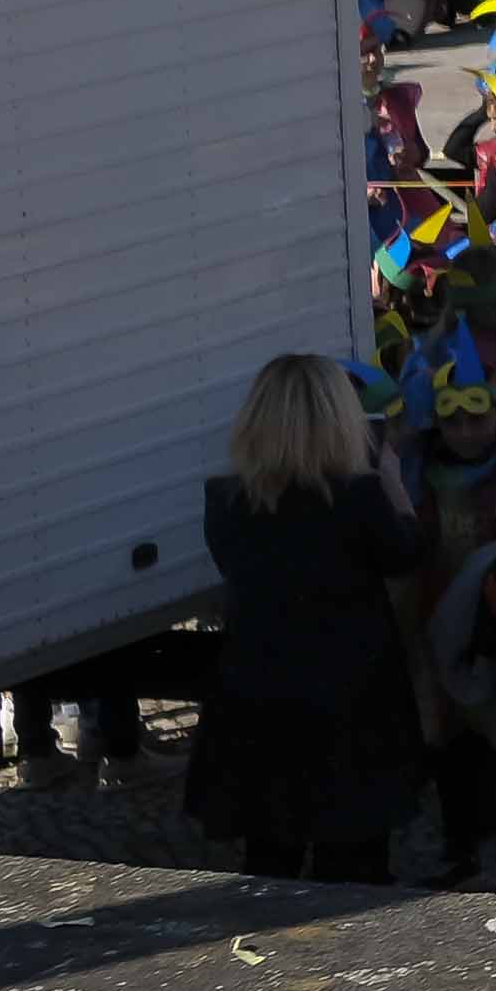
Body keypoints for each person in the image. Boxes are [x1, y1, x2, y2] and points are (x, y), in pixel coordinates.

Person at [180, 353, 433, 883]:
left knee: (269, 861)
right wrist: (391, 481)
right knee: (354, 867)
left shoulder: (225, 502)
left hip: (256, 695)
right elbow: (406, 553)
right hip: (351, 702)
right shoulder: (358, 497)